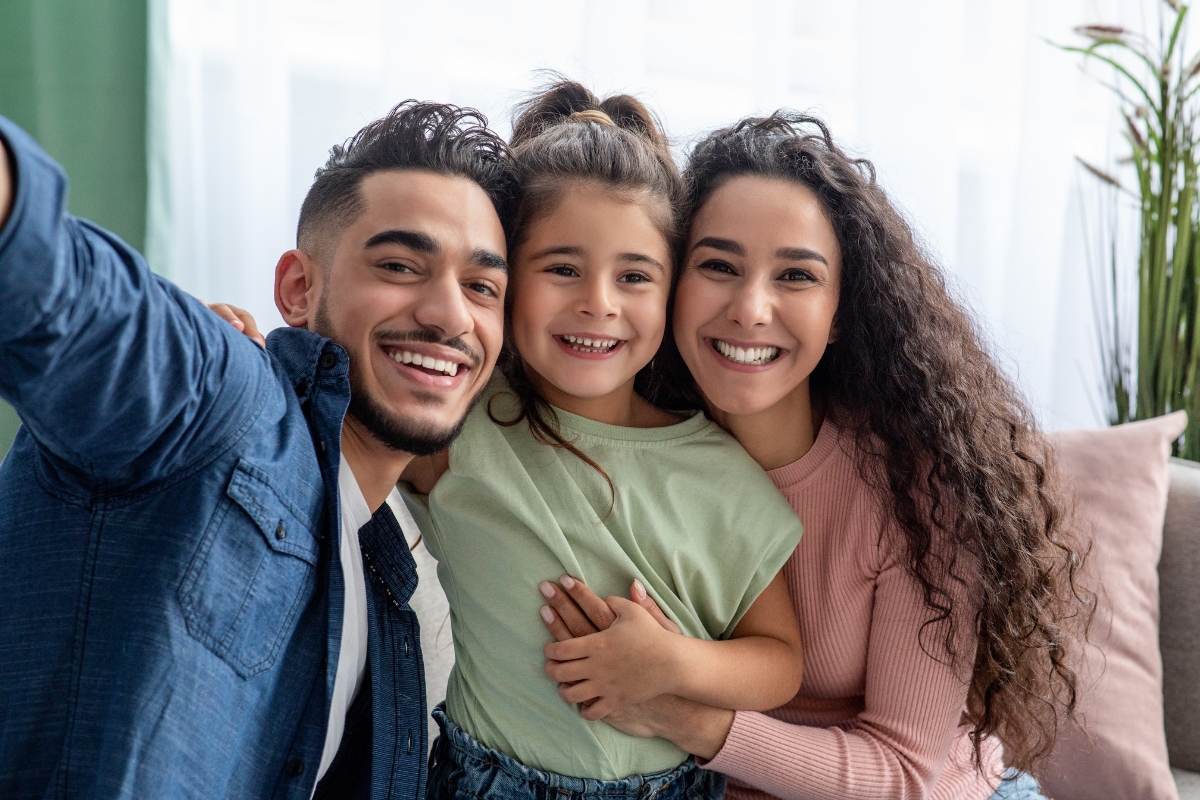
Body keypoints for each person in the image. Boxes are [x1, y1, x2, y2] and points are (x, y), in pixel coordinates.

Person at [538, 113, 1090, 800]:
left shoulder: (918, 487)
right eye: (718, 266)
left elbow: (901, 772)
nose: (750, 307)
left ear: (840, 313)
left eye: (795, 275)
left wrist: (679, 715)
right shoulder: (625, 445)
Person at [0, 101, 517, 799]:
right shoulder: (223, 395)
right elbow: (62, 283)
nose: (450, 314)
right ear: (298, 290)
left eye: (481, 286)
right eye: (399, 265)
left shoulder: (406, 593)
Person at [394, 82, 805, 800]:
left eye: (634, 276)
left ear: (672, 291)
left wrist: (668, 664)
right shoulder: (462, 421)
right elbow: (342, 387)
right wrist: (241, 337)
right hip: (483, 783)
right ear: (506, 278)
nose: (599, 302)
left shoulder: (719, 470)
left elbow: (779, 664)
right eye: (561, 268)